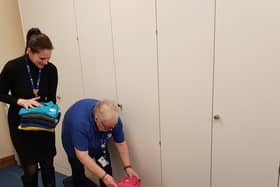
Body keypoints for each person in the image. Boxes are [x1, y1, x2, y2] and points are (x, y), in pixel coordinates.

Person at [0, 28, 58, 187]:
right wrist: (20, 101)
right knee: (30, 168)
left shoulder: (51, 70)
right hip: (21, 126)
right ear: (29, 52)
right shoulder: (13, 67)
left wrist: (52, 112)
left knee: (47, 165)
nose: (45, 63)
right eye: (41, 59)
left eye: (48, 59)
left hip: (43, 123)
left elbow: (52, 98)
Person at [62, 99, 139, 187]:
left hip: (99, 144)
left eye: (112, 127)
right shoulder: (80, 124)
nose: (111, 130)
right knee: (78, 172)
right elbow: (82, 156)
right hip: (74, 145)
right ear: (97, 119)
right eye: (107, 127)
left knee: (106, 169)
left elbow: (120, 143)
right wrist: (103, 176)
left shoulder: (112, 120)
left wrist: (127, 166)